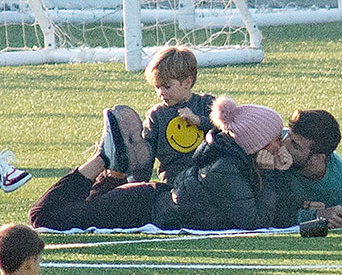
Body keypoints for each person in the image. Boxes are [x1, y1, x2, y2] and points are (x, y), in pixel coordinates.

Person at [29, 95, 290, 231]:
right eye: (276, 138)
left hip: (147, 200)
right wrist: (269, 176)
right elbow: (254, 221)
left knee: (84, 208)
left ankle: (117, 168)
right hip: (138, 208)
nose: (282, 144)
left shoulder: (234, 161)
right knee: (44, 217)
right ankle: (103, 159)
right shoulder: (225, 169)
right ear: (256, 144)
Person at [274, 109, 342, 229]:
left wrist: (319, 217)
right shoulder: (272, 143)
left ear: (318, 158)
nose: (284, 145)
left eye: (295, 146)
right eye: (288, 136)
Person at [137, 46, 215, 183]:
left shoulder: (206, 104)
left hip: (208, 175)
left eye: (167, 87)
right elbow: (146, 155)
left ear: (187, 82)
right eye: (157, 87)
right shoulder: (156, 116)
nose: (161, 92)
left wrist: (198, 121)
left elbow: (225, 131)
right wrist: (138, 184)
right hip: (174, 180)